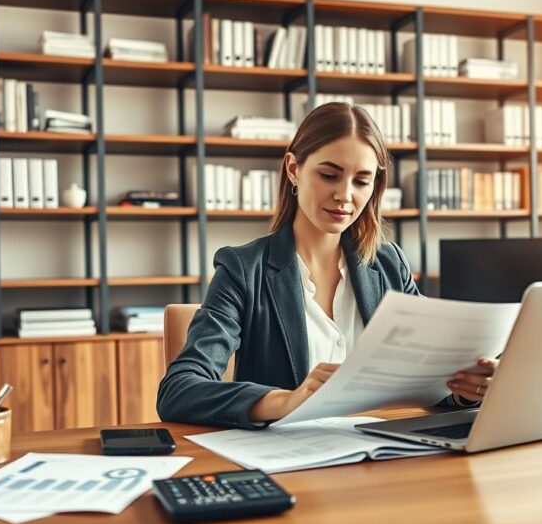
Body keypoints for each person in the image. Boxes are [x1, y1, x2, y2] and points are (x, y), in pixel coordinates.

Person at [157, 102, 496, 428]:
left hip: (380, 453)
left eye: (361, 181)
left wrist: (465, 391)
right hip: (289, 461)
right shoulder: (243, 269)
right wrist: (288, 400)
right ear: (294, 169)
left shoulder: (389, 264)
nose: (345, 195)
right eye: (330, 175)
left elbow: (428, 381)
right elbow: (180, 390)